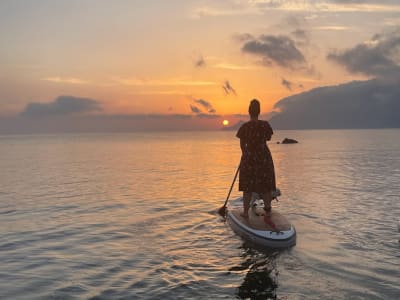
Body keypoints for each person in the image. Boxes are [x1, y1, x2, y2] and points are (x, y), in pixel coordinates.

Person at [236, 99, 276, 219]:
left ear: (249, 111)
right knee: (266, 185)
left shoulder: (245, 127)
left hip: (249, 158)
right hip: (264, 157)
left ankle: (245, 212)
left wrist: (245, 155)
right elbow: (268, 138)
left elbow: (242, 144)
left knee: (247, 186)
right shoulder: (265, 125)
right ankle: (268, 211)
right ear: (259, 111)